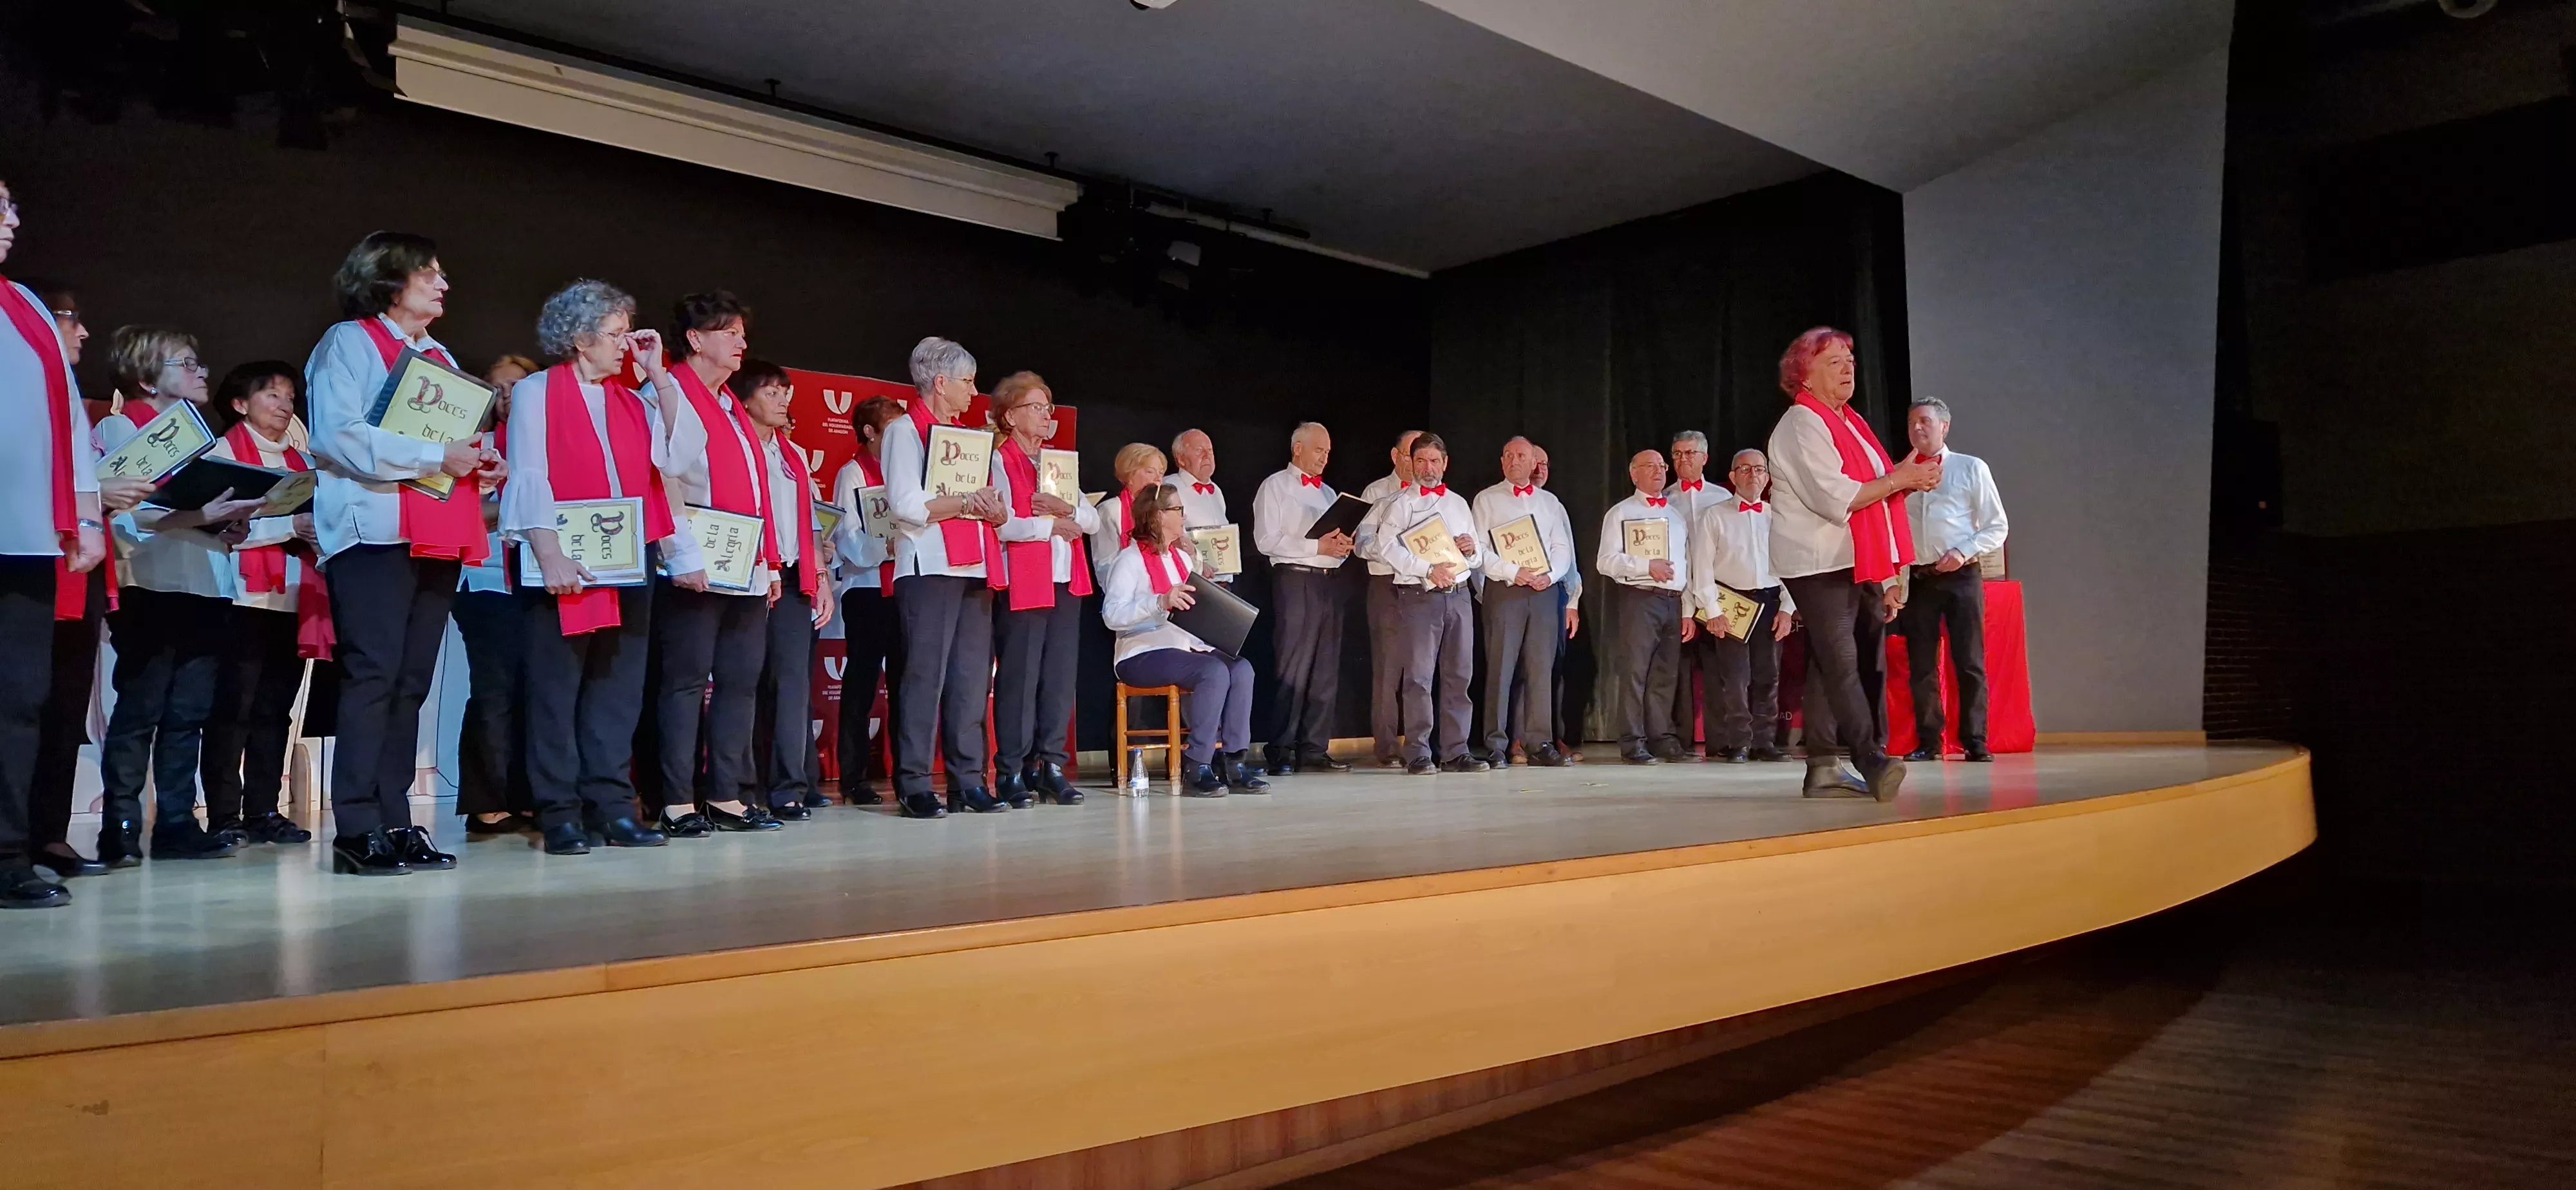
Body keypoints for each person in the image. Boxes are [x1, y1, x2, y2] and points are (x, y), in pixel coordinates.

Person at [304, 231, 504, 874]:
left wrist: (478, 460)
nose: (443, 284)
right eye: (429, 274)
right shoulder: (349, 343)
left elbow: (451, 440)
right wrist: (432, 455)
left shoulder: (439, 355)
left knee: (412, 681)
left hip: (436, 529)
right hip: (374, 530)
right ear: (390, 280)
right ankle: (355, 826)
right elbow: (339, 435)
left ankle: (396, 819)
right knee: (374, 675)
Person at [504, 280, 689, 856]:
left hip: (628, 560)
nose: (625, 345)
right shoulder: (537, 391)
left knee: (617, 691)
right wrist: (548, 550)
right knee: (556, 691)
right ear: (580, 339)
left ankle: (613, 806)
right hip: (564, 560)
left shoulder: (633, 399)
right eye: (615, 334)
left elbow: (679, 452)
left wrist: (658, 372)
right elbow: (529, 471)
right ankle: (559, 811)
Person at [93, 326, 260, 862]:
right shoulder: (124, 425)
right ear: (146, 378)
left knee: (189, 710)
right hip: (151, 582)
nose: (201, 372)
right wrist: (197, 515)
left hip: (205, 580)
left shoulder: (205, 440)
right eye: (186, 364)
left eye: (199, 363)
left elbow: (198, 512)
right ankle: (119, 825)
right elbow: (127, 508)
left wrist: (227, 525)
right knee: (141, 707)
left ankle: (175, 822)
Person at [1765, 326, 1940, 802]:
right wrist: (1901, 477)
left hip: (1850, 559)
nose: (1848, 369)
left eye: (1850, 360)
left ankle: (1822, 766)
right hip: (1816, 561)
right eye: (1834, 362)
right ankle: (1870, 757)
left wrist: (1888, 576)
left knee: (1830, 662)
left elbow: (1879, 494)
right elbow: (1835, 499)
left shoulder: (1848, 423)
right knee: (1842, 659)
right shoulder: (1802, 425)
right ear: (1804, 374)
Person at [0, 184, 107, 909]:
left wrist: (89, 517)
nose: (12, 218)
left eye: (12, 205)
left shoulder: (29, 309)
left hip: (25, 533)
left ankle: (8, 852)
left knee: (19, 698)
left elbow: (69, 421)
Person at [638, 290, 779, 836]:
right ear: (695, 340)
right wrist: (680, 554)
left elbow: (756, 492)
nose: (741, 341)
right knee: (684, 682)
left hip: (742, 563)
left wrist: (768, 565)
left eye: (743, 331)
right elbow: (661, 479)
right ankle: (674, 800)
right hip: (692, 563)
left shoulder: (732, 404)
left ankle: (727, 795)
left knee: (741, 680)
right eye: (729, 331)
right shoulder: (666, 391)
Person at [26, 283, 140, 883]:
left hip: (81, 556)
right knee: (24, 703)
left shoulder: (72, 395)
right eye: (72, 319)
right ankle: (17, 838)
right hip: (30, 554)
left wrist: (102, 495)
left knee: (65, 705)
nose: (82, 333)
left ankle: (47, 833)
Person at [196, 361, 323, 845]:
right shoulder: (223, 453)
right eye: (272, 395)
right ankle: (225, 813)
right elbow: (220, 530)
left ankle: (265, 810)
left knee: (275, 710)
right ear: (239, 403)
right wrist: (290, 528)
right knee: (233, 708)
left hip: (292, 598)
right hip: (239, 597)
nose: (284, 406)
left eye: (290, 397)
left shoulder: (302, 463)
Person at [882, 335, 1007, 819]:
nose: (974, 392)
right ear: (940, 382)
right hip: (929, 566)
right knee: (923, 678)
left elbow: (997, 503)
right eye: (967, 382)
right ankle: (914, 782)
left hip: (974, 566)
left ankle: (968, 781)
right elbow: (907, 506)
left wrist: (994, 508)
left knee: (972, 680)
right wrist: (964, 503)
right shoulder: (903, 432)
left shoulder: (971, 438)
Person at [1103, 484, 1260, 795]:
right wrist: (1159, 602)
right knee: (1212, 672)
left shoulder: (1181, 559)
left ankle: (1234, 761)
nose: (1184, 516)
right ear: (1159, 516)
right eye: (1178, 510)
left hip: (1184, 645)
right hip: (1142, 651)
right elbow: (1112, 615)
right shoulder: (1129, 560)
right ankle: (1197, 765)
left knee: (1242, 669)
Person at [987, 372, 1097, 808]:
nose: (1046, 415)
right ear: (1010, 416)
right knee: (1019, 677)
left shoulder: (1059, 462)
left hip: (1065, 580)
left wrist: (1065, 507)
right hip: (1024, 580)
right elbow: (1000, 525)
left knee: (1058, 678)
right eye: (1037, 407)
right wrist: (1050, 525)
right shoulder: (997, 462)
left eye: (1049, 407)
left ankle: (1052, 765)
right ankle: (1011, 769)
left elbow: (1091, 520)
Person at [731, 359, 835, 816]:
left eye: (785, 392)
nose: (782, 400)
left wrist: (822, 580)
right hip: (748, 573)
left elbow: (810, 522)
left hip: (794, 579)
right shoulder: (734, 448)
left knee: (793, 685)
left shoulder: (791, 456)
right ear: (745, 398)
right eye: (771, 392)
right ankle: (742, 788)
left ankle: (789, 787)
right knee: (745, 682)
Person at [1359, 432, 1481, 776]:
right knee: (1418, 678)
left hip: (1458, 596)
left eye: (1435, 461)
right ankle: (1418, 753)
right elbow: (1389, 549)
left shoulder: (1458, 503)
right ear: (1410, 464)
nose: (1428, 468)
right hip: (1418, 597)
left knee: (1459, 676)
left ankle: (1457, 752)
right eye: (1422, 461)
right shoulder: (1398, 504)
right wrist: (1428, 569)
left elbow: (1477, 554)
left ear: (1445, 464)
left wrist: (1472, 551)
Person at [1899, 397, 2009, 763]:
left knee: (1969, 661)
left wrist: (1962, 551)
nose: (1918, 428)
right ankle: (1929, 741)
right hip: (1918, 579)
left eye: (1926, 421)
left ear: (1944, 427)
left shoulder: (1970, 468)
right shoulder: (1898, 473)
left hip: (1961, 576)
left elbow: (1997, 526)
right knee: (1922, 665)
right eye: (1913, 422)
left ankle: (1975, 740)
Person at [455, 353, 538, 836]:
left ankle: (527, 796)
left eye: (519, 387)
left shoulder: (540, 445)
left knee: (536, 690)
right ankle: (486, 802)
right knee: (494, 690)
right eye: (500, 388)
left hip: (540, 581)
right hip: (485, 581)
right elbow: (462, 511)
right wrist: (508, 499)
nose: (509, 397)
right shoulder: (472, 446)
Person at [1251, 421, 1355, 775]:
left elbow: (1333, 545)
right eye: (1319, 450)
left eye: (1328, 452)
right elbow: (1266, 540)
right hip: (1295, 581)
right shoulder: (1275, 487)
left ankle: (1314, 748)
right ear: (1298, 449)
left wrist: (1341, 547)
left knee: (1325, 668)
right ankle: (1280, 748)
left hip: (1330, 580)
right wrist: (1317, 546)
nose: (1325, 458)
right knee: (1293, 665)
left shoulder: (1329, 494)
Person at [1687, 449, 1797, 764]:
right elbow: (1702, 567)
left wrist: (1787, 609)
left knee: (1768, 675)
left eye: (1759, 469)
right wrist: (1712, 611)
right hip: (1731, 601)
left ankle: (1765, 742)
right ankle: (1740, 742)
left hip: (1770, 600)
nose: (1753, 475)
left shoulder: (1778, 516)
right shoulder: (1715, 515)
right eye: (1745, 470)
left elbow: (1791, 566)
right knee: (1735, 678)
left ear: (1767, 477)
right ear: (1733, 477)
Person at [1473, 437, 1575, 768]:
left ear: (1534, 463)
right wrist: (1513, 571)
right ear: (1501, 461)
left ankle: (1540, 742)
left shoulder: (1550, 502)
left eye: (1522, 456)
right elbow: (1478, 551)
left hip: (1544, 593)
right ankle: (1496, 745)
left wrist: (1552, 575)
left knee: (1540, 670)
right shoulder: (1486, 500)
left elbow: (1563, 548)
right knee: (1501, 669)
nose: (1515, 460)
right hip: (1506, 590)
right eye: (1509, 455)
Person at [829, 394, 905, 805]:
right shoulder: (853, 472)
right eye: (890, 430)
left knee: (904, 683)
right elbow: (847, 537)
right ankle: (854, 776)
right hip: (868, 589)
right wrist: (886, 549)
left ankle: (905, 772)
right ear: (869, 432)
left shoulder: (905, 473)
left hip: (905, 589)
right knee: (860, 685)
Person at [1598, 449, 1696, 765]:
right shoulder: (1621, 513)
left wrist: (1687, 610)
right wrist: (1645, 565)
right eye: (1649, 466)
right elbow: (1606, 562)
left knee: (1665, 675)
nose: (1658, 471)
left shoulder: (1676, 515)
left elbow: (1687, 565)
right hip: (1639, 597)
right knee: (1635, 672)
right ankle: (1632, 741)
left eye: (1661, 466)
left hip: (1672, 600)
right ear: (1633, 473)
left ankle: (1662, 737)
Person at [1356, 429, 1422, 768]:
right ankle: (1387, 747)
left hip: (1424, 589)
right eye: (1412, 454)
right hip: (1387, 586)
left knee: (1421, 669)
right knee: (1388, 670)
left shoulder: (1433, 495)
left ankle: (1420, 745)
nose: (1417, 461)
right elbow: (1361, 543)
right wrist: (1393, 552)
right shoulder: (1377, 493)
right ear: (1397, 457)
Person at [1665, 431, 1727, 759]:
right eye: (1677, 454)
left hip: (1718, 596)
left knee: (1719, 669)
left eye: (1690, 453)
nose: (1683, 460)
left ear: (1705, 457)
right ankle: (1680, 740)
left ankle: (1720, 741)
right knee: (1679, 670)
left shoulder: (1722, 498)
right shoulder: (1663, 499)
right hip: (1677, 596)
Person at [1086, 441, 1168, 586]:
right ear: (1129, 475)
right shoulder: (1110, 510)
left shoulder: (1166, 509)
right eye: (1150, 472)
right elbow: (1104, 566)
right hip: (1127, 596)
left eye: (1161, 473)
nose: (1158, 479)